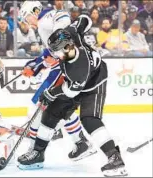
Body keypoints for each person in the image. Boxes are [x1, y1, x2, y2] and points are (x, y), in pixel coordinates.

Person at [18, 28, 128, 177]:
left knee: (90, 119)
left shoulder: (77, 67)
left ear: (66, 47)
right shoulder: (72, 37)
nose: (55, 54)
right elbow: (85, 21)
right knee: (51, 112)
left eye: (56, 51)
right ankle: (38, 153)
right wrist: (76, 25)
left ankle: (115, 158)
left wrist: (51, 92)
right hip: (77, 81)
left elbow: (71, 91)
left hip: (94, 82)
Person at [18, 1, 96, 162]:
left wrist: (58, 34)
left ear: (34, 11)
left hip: (65, 69)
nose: (27, 23)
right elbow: (51, 54)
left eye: (26, 17)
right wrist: (35, 66)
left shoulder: (45, 17)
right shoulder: (43, 24)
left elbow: (63, 17)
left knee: (36, 108)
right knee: (60, 108)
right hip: (70, 68)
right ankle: (81, 142)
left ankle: (34, 149)